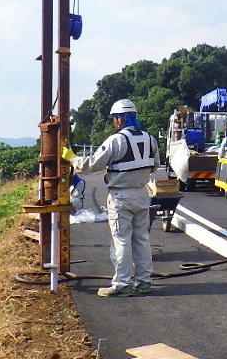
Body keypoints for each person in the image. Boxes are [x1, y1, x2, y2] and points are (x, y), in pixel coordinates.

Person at [62, 99, 160, 297]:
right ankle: (143, 281)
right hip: (142, 193)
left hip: (120, 196)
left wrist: (71, 157)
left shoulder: (116, 140)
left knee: (121, 240)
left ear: (120, 118)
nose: (114, 123)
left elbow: (91, 164)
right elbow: (155, 165)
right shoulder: (150, 139)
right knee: (141, 239)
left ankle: (122, 284)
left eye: (115, 119)